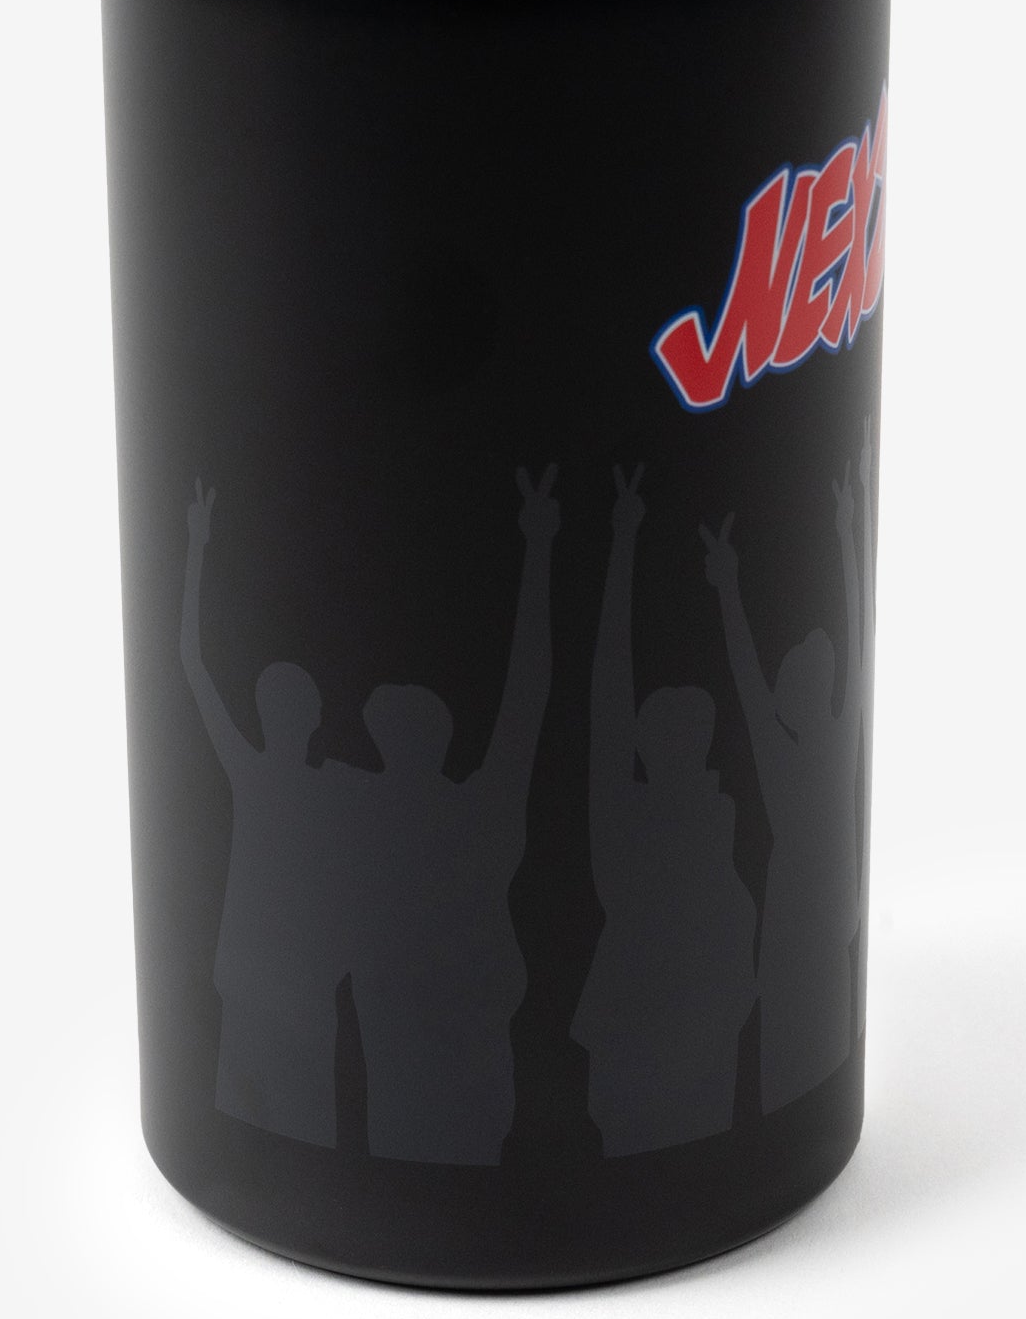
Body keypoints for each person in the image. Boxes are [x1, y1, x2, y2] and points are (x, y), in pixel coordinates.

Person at [351, 466, 559, 1165]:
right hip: (451, 1033)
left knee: (416, 1146)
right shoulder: (476, 809)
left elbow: (527, 695)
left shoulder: (368, 815)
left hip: (431, 1032)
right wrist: (539, 551)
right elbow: (527, 696)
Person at [573, 465, 759, 1155]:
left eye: (695, 732)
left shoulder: (711, 816)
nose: (687, 744)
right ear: (647, 747)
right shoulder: (627, 814)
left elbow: (613, 702)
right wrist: (622, 545)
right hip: (643, 1023)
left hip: (708, 1018)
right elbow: (609, 691)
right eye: (672, 732)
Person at [180, 480, 364, 1147]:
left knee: (284, 1122)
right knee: (281, 1122)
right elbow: (195, 667)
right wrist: (196, 547)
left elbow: (195, 665)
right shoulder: (310, 781)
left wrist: (197, 549)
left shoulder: (267, 773)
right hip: (275, 981)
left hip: (284, 982)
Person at [699, 428, 872, 1112]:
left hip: (813, 919)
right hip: (806, 923)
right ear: (801, 691)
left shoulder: (824, 737)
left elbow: (848, 633)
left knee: (802, 1057)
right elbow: (752, 669)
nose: (819, 650)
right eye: (810, 659)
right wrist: (847, 532)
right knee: (793, 1057)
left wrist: (847, 530)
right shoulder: (809, 743)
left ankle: (791, 1120)